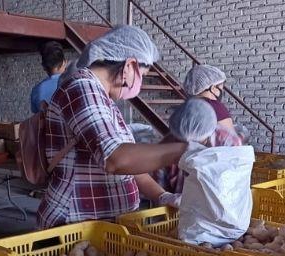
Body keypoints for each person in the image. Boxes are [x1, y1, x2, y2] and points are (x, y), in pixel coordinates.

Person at [37, 25, 187, 228]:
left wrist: (163, 196)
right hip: (74, 225)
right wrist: (182, 151)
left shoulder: (103, 99)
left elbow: (129, 166)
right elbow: (115, 159)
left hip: (103, 225)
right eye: (141, 74)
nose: (139, 84)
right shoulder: (82, 88)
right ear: (129, 66)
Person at [165, 98, 242, 193]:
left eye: (197, 142)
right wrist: (165, 197)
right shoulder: (169, 143)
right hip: (181, 200)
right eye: (184, 142)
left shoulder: (228, 143)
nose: (191, 145)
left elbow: (235, 180)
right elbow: (160, 178)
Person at [182, 64, 235, 131]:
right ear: (213, 88)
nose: (222, 90)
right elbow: (230, 138)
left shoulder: (185, 107)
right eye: (221, 86)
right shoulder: (215, 107)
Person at [30, 41, 67, 114]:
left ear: (44, 66)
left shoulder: (36, 90)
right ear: (64, 62)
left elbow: (36, 114)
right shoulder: (74, 82)